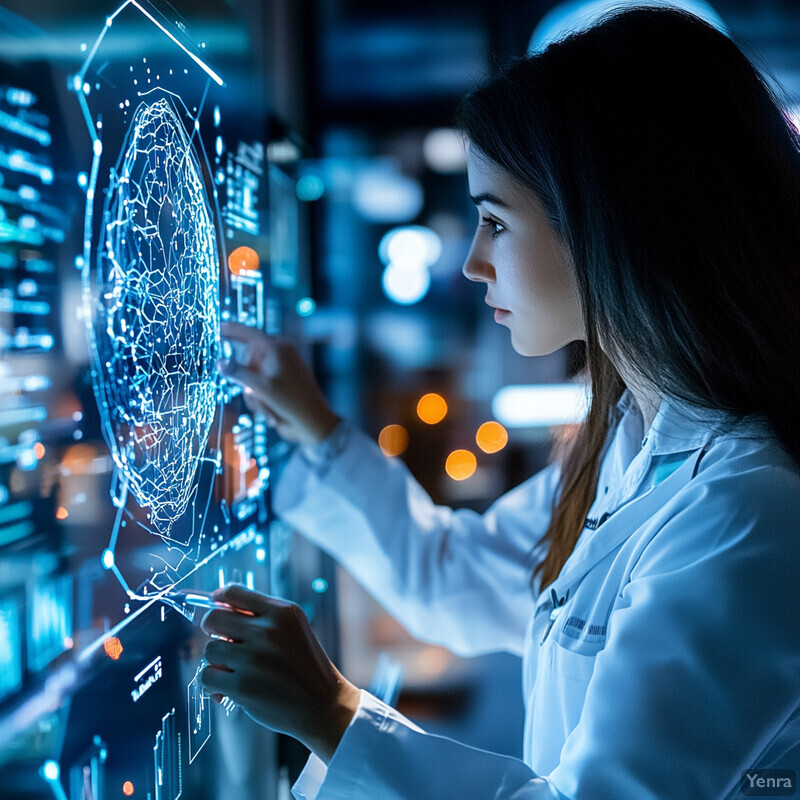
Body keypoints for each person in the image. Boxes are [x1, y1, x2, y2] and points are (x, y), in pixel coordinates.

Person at [199, 6, 800, 798]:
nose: (474, 264)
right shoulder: (628, 443)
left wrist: (335, 715)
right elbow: (450, 577)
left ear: (604, 224)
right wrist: (309, 422)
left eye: (493, 220)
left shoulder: (744, 507)